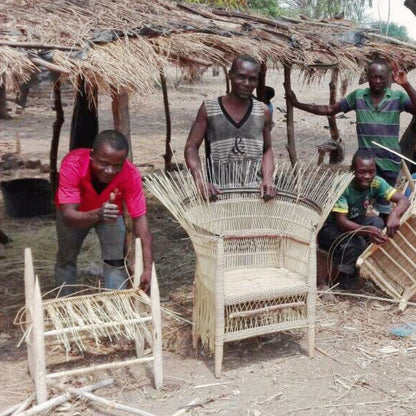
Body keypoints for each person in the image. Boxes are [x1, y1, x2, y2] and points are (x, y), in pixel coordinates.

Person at [287, 59, 416, 217]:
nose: (377, 81)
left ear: (388, 77)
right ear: (367, 77)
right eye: (373, 77)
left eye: (381, 77)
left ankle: (381, 236)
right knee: (358, 203)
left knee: (384, 206)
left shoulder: (397, 97)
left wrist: (405, 84)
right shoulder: (358, 96)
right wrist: (298, 104)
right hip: (365, 163)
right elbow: (330, 109)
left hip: (389, 161)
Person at [55, 130, 153, 296]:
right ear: (92, 155)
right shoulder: (73, 163)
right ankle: (64, 303)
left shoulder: (130, 174)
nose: (109, 171)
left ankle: (116, 306)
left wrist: (148, 268)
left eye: (117, 165)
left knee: (115, 261)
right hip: (77, 214)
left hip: (110, 214)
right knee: (67, 259)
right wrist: (97, 214)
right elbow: (68, 217)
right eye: (103, 163)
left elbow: (141, 222)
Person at [184, 54, 275, 200]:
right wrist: (200, 180)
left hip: (255, 195)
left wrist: (268, 178)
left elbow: (267, 149)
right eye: (241, 77)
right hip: (219, 194)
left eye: (252, 79)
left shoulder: (263, 111)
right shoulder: (209, 109)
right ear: (230, 76)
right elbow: (191, 146)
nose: (247, 83)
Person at [318, 149, 409, 290]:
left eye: (371, 172)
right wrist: (366, 231)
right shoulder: (343, 186)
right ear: (352, 170)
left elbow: (403, 200)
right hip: (331, 228)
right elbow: (342, 223)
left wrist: (395, 214)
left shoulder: (376, 182)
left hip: (355, 221)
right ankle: (343, 279)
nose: (367, 176)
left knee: (378, 224)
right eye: (362, 172)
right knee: (355, 243)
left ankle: (360, 265)